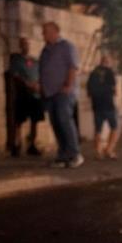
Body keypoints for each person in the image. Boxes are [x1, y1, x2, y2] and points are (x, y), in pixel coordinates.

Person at [38, 21, 83, 168]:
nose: (43, 34)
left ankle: (75, 154)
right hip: (49, 93)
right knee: (56, 123)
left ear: (55, 32)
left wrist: (68, 85)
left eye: (45, 31)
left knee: (65, 121)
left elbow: (73, 67)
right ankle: (63, 155)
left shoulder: (66, 46)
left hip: (63, 92)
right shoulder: (45, 50)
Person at [5, 37, 43, 157]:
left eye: (27, 44)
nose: (26, 46)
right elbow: (15, 75)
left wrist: (38, 85)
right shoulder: (17, 60)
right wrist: (27, 83)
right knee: (19, 120)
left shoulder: (35, 61)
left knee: (35, 120)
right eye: (23, 44)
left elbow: (40, 74)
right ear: (20, 46)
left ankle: (32, 144)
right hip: (23, 94)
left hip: (35, 95)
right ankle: (17, 144)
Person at [86, 53, 120, 160]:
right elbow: (114, 90)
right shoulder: (110, 72)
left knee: (98, 129)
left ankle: (98, 152)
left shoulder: (93, 73)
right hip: (108, 104)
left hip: (97, 105)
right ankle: (109, 150)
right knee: (114, 127)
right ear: (108, 62)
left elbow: (89, 91)